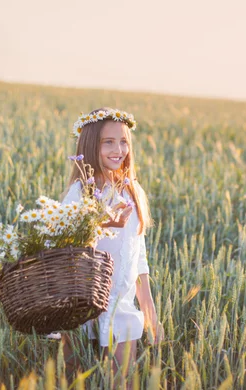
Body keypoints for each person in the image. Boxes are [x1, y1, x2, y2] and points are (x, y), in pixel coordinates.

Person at [60, 107, 163, 384]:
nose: (118, 149)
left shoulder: (133, 192)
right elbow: (62, 247)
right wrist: (103, 224)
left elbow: (137, 254)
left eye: (124, 141)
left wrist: (148, 305)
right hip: (80, 306)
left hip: (121, 303)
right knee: (72, 380)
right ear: (91, 145)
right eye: (109, 142)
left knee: (123, 381)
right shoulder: (81, 192)